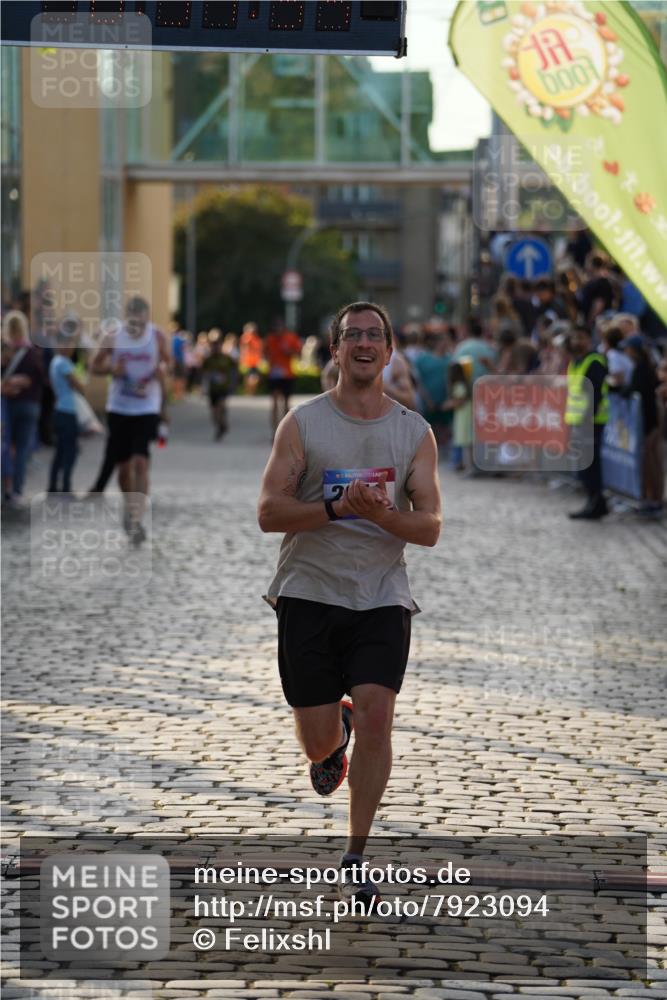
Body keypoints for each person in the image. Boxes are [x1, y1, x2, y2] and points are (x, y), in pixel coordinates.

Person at [258, 300, 441, 910]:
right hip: (309, 591)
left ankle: (356, 853)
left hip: (381, 596)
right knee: (315, 745)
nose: (363, 344)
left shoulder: (413, 432)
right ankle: (332, 732)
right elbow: (268, 514)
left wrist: (385, 515)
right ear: (335, 351)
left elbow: (431, 525)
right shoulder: (303, 425)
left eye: (374, 336)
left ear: (389, 352)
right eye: (351, 336)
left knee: (379, 715)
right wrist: (337, 508)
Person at [91, 297, 169, 545]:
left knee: (140, 463)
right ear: (127, 319)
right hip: (119, 407)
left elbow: (170, 364)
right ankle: (129, 504)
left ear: (147, 318)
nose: (138, 328)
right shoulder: (113, 336)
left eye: (142, 323)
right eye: (133, 323)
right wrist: (111, 371)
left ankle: (136, 519)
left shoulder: (157, 337)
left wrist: (163, 372)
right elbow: (94, 366)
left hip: (147, 407)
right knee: (123, 469)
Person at [564, 324, 609, 519]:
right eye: (574, 338)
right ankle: (594, 502)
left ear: (589, 340)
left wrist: (587, 418)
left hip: (591, 421)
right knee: (584, 464)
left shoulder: (594, 362)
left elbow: (596, 393)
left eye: (581, 338)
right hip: (578, 420)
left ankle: (596, 503)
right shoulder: (575, 362)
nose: (577, 342)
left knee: (590, 465)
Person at [0, 310, 45, 507]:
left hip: (8, 405)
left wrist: (8, 384)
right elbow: (42, 378)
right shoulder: (33, 352)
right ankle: (17, 489)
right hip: (30, 405)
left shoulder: (5, 352)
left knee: (6, 447)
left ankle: (6, 490)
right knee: (22, 448)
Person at [620, 334, 663, 513]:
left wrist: (620, 388)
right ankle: (650, 497)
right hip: (646, 419)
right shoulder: (641, 367)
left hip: (649, 420)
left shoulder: (643, 368)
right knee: (648, 460)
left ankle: (655, 499)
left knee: (651, 460)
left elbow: (637, 389)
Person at [48, 322, 87, 495]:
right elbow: (80, 386)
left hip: (60, 409)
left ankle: (53, 484)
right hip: (67, 411)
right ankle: (65, 485)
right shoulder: (63, 363)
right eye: (70, 343)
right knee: (70, 450)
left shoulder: (55, 362)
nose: (72, 347)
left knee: (60, 450)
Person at [264, 318, 302, 437]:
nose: (278, 329)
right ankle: (275, 431)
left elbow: (298, 352)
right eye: (276, 327)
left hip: (287, 374)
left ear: (283, 327)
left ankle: (285, 430)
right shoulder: (270, 339)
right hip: (274, 374)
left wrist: (288, 352)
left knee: (286, 403)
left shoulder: (291, 337)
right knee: (274, 402)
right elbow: (264, 352)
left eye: (280, 326)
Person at [202, 331, 238, 440]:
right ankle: (221, 426)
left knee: (220, 407)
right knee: (214, 413)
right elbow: (203, 374)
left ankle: (223, 424)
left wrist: (233, 384)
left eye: (217, 344)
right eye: (213, 344)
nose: (215, 346)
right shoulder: (208, 360)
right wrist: (202, 386)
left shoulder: (227, 358)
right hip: (213, 389)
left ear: (221, 344)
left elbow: (234, 370)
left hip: (223, 388)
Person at [442, 362, 473, 472]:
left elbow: (460, 401)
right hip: (464, 415)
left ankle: (467, 467)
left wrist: (447, 405)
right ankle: (463, 465)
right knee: (464, 441)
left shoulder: (459, 385)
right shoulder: (463, 383)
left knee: (465, 441)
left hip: (464, 416)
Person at [239, 321, 263, 395]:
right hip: (248, 361)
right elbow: (244, 349)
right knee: (249, 377)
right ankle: (248, 391)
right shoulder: (246, 337)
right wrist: (243, 360)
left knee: (255, 378)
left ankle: (252, 391)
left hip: (256, 361)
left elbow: (260, 350)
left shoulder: (257, 339)